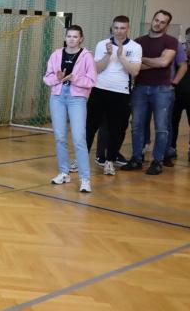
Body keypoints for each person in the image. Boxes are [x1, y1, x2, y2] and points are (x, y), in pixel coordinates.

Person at [121, 10, 178, 175]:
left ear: (167, 25)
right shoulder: (138, 42)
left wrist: (141, 59)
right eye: (156, 20)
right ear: (152, 20)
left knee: (161, 127)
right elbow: (135, 68)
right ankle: (136, 159)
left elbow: (163, 62)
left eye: (162, 22)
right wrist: (150, 62)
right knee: (137, 125)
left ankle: (158, 161)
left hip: (162, 90)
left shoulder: (170, 41)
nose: (158, 24)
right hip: (140, 88)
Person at [43, 25, 97, 192]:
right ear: (65, 38)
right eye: (69, 36)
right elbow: (47, 78)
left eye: (75, 36)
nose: (71, 39)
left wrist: (75, 79)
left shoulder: (87, 56)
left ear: (81, 39)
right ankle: (64, 173)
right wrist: (58, 78)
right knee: (60, 137)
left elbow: (91, 81)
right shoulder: (56, 54)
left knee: (79, 138)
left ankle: (85, 178)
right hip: (58, 97)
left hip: (77, 99)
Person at [85, 16, 141, 176]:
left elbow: (135, 71)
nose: (119, 31)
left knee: (116, 129)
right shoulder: (102, 44)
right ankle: (81, 159)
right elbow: (97, 69)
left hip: (121, 93)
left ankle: (109, 161)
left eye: (122, 28)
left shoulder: (135, 47)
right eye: (116, 28)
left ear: (128, 29)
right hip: (99, 90)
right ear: (112, 28)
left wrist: (122, 56)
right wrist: (108, 55)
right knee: (90, 126)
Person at [169, 28, 189, 161]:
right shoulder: (178, 48)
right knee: (172, 123)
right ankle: (171, 148)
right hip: (176, 92)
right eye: (189, 37)